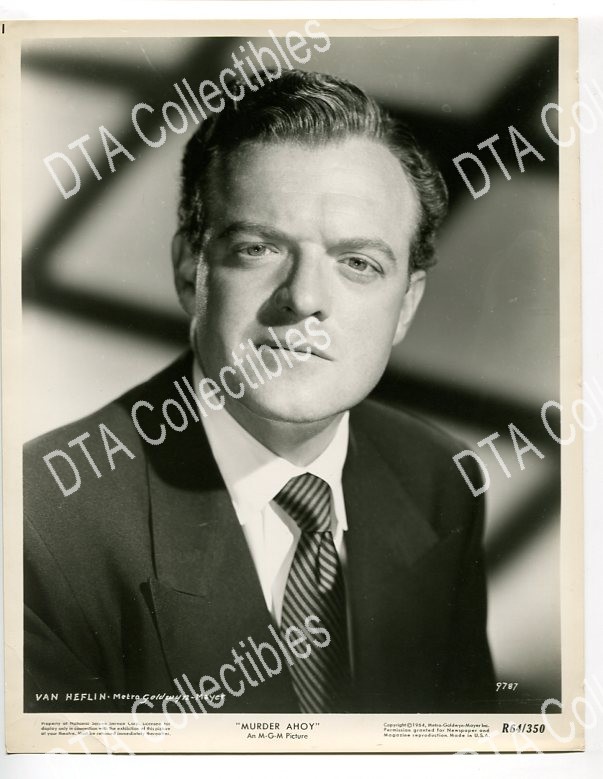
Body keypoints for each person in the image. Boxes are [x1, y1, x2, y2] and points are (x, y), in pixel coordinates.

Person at [24, 69, 495, 715]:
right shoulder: (37, 522)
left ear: (406, 305)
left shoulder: (439, 480)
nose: (303, 298)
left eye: (358, 263)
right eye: (258, 248)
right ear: (189, 270)